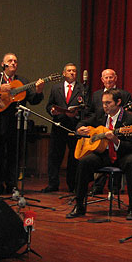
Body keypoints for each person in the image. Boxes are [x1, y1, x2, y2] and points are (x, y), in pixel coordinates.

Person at [67, 89, 132, 220]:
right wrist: (80, 129)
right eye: (103, 103)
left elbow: (130, 146)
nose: (105, 106)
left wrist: (115, 140)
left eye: (108, 103)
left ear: (118, 102)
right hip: (104, 153)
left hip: (121, 154)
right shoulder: (101, 114)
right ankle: (79, 205)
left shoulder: (129, 119)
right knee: (84, 162)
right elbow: (83, 122)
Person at [0, 53, 45, 194]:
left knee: (14, 154)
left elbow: (33, 100)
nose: (13, 63)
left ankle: (12, 184)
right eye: (10, 61)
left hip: (15, 122)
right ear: (3, 64)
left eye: (15, 61)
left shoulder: (22, 81)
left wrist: (39, 91)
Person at [41, 63, 86, 193]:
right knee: (54, 156)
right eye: (69, 71)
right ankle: (53, 183)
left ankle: (72, 185)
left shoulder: (82, 88)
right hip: (58, 125)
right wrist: (52, 111)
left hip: (74, 126)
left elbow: (86, 108)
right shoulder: (56, 88)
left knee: (73, 156)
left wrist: (77, 113)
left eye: (74, 71)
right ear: (64, 73)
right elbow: (49, 105)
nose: (72, 73)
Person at [86, 68, 132, 193]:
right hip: (100, 144)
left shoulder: (124, 94)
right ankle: (81, 199)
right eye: (105, 77)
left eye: (111, 77)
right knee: (85, 160)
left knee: (128, 160)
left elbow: (129, 115)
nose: (108, 80)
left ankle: (116, 189)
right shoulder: (96, 96)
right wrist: (82, 128)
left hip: (118, 143)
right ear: (102, 80)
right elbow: (89, 115)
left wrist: (115, 137)